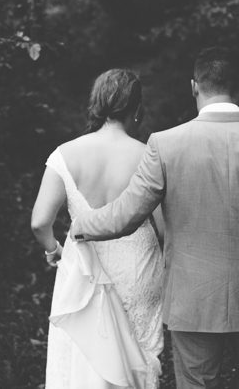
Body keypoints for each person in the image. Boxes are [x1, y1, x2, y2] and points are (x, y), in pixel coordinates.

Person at [70, 47, 239, 389]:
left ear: (194, 87)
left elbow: (124, 216)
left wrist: (80, 226)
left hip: (192, 299)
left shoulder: (165, 145)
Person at [31, 68, 165, 389]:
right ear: (137, 108)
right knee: (139, 358)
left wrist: (53, 249)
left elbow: (39, 222)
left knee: (85, 361)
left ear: (97, 102)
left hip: (84, 270)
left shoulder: (65, 154)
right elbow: (164, 229)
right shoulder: (149, 155)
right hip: (138, 268)